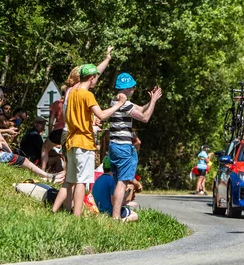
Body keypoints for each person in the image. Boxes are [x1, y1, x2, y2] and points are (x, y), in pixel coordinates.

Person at [51, 64, 128, 217]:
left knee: (69, 180)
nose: (96, 82)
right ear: (92, 78)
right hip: (84, 142)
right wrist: (119, 104)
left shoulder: (71, 93)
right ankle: (76, 216)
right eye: (96, 78)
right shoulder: (87, 95)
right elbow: (102, 115)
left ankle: (54, 210)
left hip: (71, 141)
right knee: (81, 181)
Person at [0, 93, 62, 182]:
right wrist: (11, 153)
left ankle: (46, 176)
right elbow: (1, 140)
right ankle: (47, 176)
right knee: (23, 160)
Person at [108, 72, 162, 220]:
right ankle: (116, 216)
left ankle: (115, 212)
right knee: (122, 181)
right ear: (128, 88)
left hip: (114, 145)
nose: (134, 90)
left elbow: (140, 109)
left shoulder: (116, 101)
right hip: (122, 147)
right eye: (133, 87)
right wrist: (154, 102)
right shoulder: (124, 104)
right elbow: (144, 117)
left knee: (119, 179)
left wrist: (151, 100)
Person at [92, 156, 138, 222]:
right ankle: (122, 221)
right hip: (109, 212)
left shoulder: (98, 179)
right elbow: (114, 203)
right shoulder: (111, 181)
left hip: (99, 210)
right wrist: (125, 200)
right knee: (134, 215)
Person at [40, 86, 66, 171]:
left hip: (58, 131)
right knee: (67, 155)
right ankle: (67, 175)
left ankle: (42, 170)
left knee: (45, 148)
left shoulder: (56, 104)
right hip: (69, 131)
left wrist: (49, 134)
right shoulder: (71, 104)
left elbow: (51, 121)